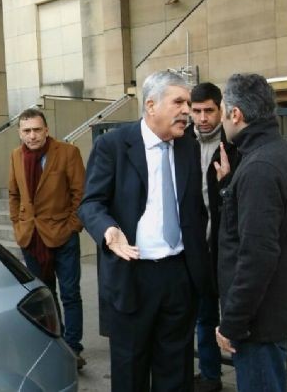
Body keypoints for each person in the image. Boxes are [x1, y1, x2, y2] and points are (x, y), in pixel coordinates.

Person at [78, 70, 210, 392]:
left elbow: (195, 210)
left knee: (176, 372)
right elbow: (90, 204)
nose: (187, 111)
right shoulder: (113, 145)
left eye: (188, 103)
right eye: (178, 102)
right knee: (130, 371)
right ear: (151, 105)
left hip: (179, 275)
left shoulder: (188, 147)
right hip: (132, 275)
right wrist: (109, 230)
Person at [214, 74, 287, 392]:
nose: (221, 119)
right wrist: (230, 186)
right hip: (267, 316)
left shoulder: (260, 167)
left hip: (257, 324)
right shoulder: (275, 153)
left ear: (235, 113)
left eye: (221, 110)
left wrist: (233, 323)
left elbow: (257, 256)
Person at [7, 108, 87, 368]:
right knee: (43, 295)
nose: (32, 136)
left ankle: (72, 348)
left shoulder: (67, 152)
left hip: (62, 234)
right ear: (20, 133)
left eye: (37, 130)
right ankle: (54, 343)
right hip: (31, 237)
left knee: (70, 294)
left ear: (46, 130)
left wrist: (72, 226)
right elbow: (14, 194)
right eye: (27, 131)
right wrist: (18, 224)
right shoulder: (16, 155)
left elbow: (80, 194)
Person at [188, 82, 239, 392]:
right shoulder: (182, 142)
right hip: (198, 248)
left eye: (209, 110)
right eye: (197, 111)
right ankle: (210, 376)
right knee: (204, 317)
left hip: (228, 246)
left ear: (221, 110)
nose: (203, 118)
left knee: (236, 317)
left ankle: (246, 375)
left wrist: (227, 181)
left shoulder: (234, 142)